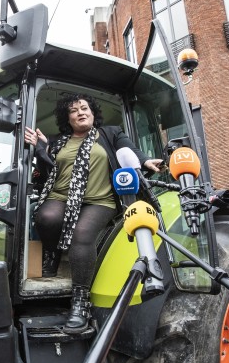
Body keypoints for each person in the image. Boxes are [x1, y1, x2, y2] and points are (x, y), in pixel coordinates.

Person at [24, 93, 163, 333]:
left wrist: (146, 160)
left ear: (92, 112)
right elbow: (46, 172)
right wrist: (41, 149)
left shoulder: (109, 133)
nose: (81, 112)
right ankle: (53, 253)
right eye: (74, 110)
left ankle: (80, 301)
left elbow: (128, 150)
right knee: (45, 217)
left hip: (100, 200)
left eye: (84, 108)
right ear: (68, 118)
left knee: (83, 233)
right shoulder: (59, 141)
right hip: (62, 195)